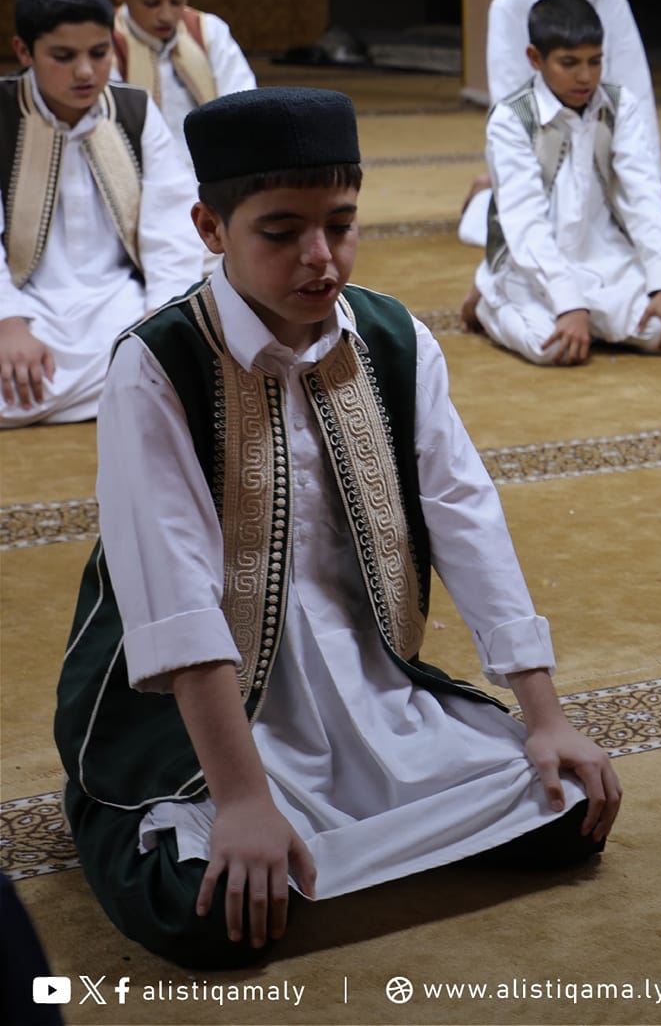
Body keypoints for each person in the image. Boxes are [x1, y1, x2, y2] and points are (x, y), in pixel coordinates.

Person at [53, 87, 624, 971]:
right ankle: (137, 808)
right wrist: (243, 801)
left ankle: (340, 822)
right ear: (211, 228)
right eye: (281, 232)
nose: (320, 257)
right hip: (198, 712)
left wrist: (544, 716)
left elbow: (465, 515)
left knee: (566, 809)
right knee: (208, 912)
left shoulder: (395, 339)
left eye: (341, 224)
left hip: (368, 680)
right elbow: (174, 597)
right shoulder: (156, 365)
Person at [2, 0, 202, 427]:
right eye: (63, 56)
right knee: (156, 385)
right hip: (22, 304)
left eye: (99, 52)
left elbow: (172, 230)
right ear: (23, 51)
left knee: (182, 356)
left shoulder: (134, 111)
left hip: (120, 304)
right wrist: (8, 323)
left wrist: (160, 323)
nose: (86, 72)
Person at [470, 0, 661, 365]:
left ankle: (590, 318)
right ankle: (489, 299)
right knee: (554, 348)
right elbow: (525, 220)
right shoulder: (512, 118)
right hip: (531, 265)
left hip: (606, 258)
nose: (585, 76)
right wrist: (568, 302)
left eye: (595, 61)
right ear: (535, 59)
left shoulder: (620, 106)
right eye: (569, 63)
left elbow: (645, 196)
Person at [461, 0, 655, 248]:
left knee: (629, 235)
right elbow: (510, 104)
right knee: (530, 236)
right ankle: (490, 190)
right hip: (541, 150)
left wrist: (649, 185)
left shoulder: (612, 3)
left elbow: (637, 97)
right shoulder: (511, 5)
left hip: (604, 147)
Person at [107, 0, 258, 133]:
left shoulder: (208, 31)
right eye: (151, 3)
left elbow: (244, 105)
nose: (166, 16)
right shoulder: (103, 41)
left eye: (177, 1)